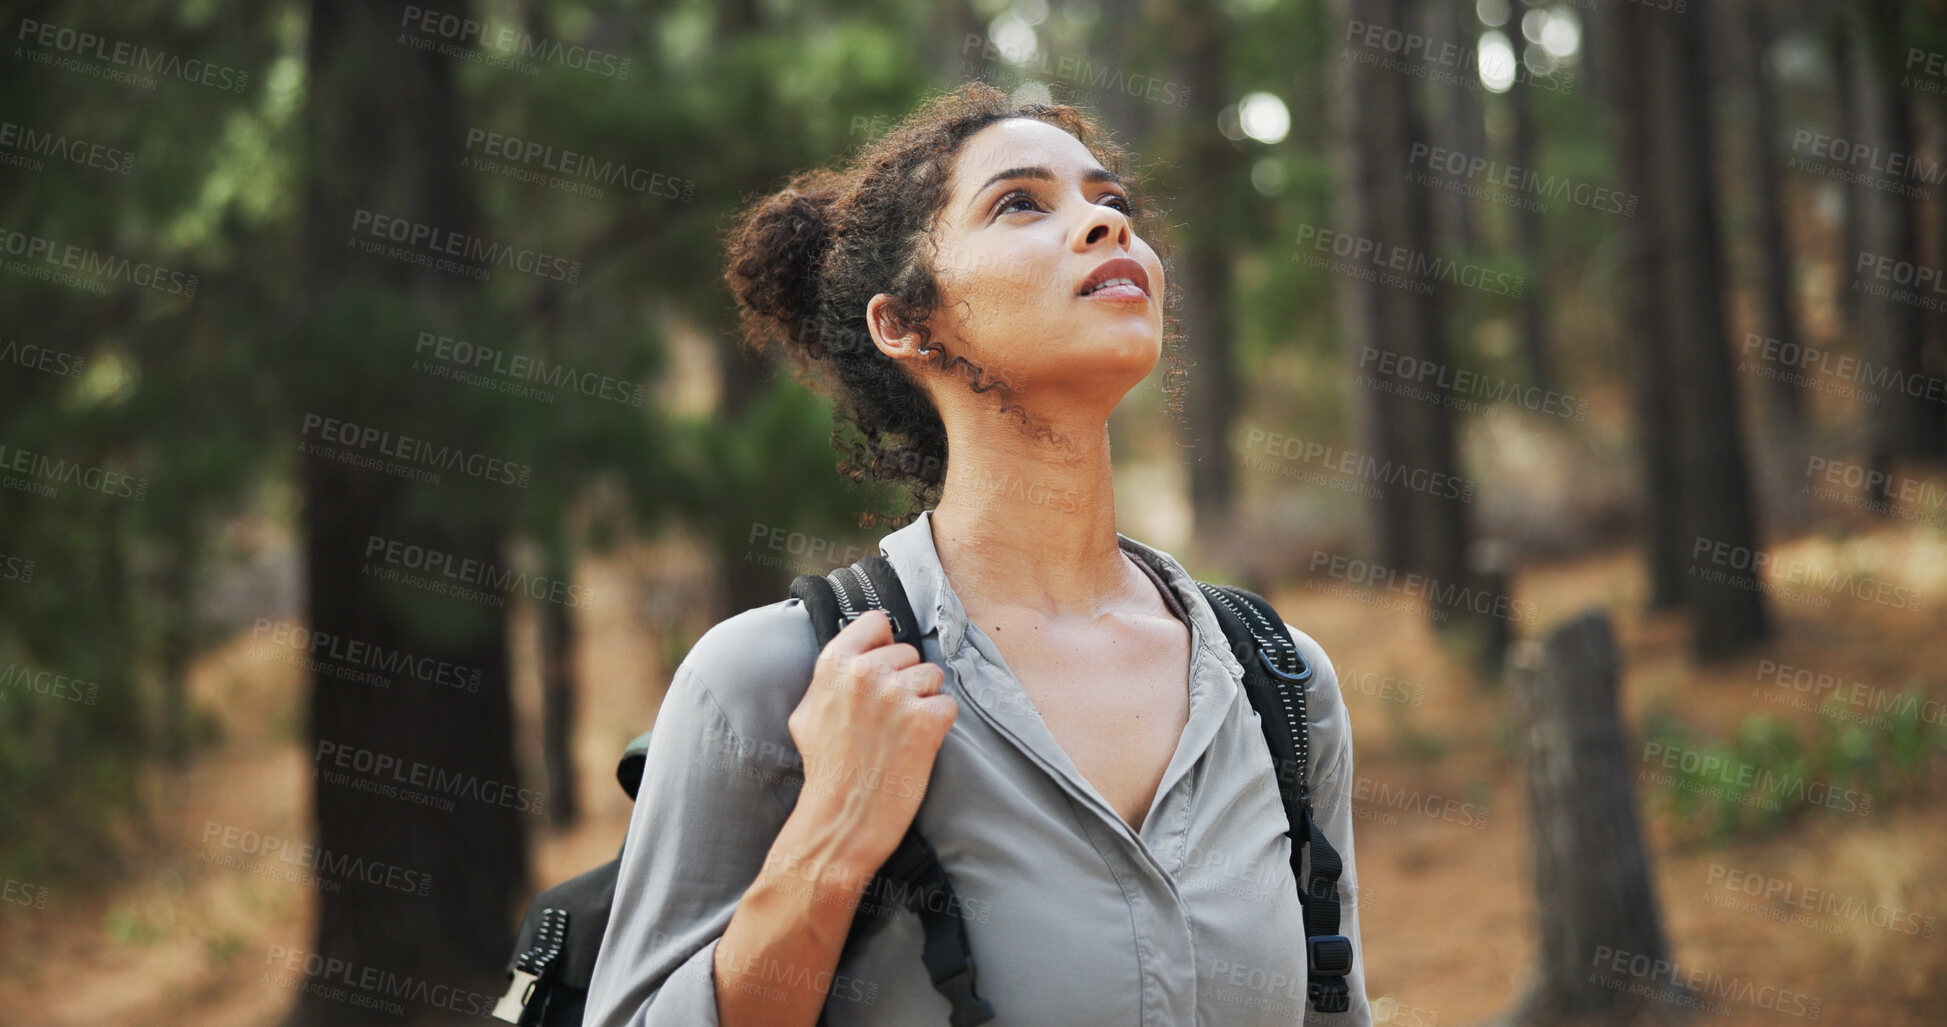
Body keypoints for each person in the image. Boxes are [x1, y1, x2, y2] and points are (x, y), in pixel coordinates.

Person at [583, 81, 1369, 1026]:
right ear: (903, 324)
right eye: (1020, 203)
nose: (1103, 227)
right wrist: (830, 838)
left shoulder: (1279, 685)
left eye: (1111, 202)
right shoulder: (771, 679)